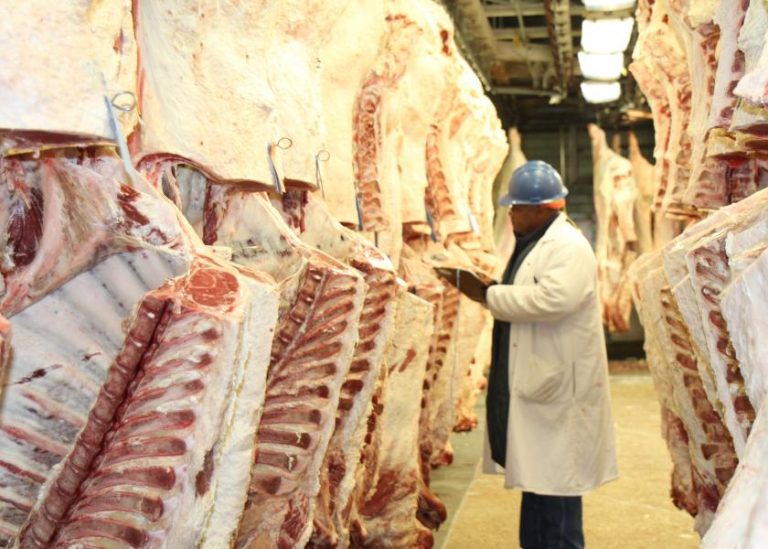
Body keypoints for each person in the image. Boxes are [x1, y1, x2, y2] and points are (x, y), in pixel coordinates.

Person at [477, 160, 617, 548]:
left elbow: (554, 299)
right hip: (542, 389)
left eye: (516, 207)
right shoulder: (537, 243)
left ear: (540, 209)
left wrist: (487, 294)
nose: (510, 213)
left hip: (559, 395)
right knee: (538, 492)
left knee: (556, 503)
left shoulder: (568, 246)